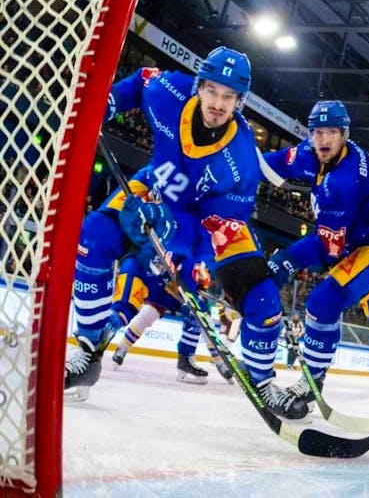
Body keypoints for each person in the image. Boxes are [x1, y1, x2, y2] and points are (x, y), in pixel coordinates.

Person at [64, 47, 307, 419]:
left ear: (239, 103)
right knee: (93, 236)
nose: (218, 103)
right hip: (155, 187)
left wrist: (169, 226)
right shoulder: (168, 91)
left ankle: (263, 383)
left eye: (229, 97)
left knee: (260, 295)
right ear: (198, 87)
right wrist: (106, 105)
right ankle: (88, 350)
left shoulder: (241, 160)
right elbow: (138, 84)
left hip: (211, 222)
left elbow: (209, 235)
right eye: (212, 91)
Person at [260, 100, 369, 404]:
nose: (324, 140)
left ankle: (312, 380)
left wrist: (286, 260)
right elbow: (271, 163)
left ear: (344, 134)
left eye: (332, 132)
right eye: (318, 132)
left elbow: (328, 247)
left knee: (324, 301)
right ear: (310, 134)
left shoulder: (343, 182)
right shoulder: (311, 153)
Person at [108, 253, 213, 385]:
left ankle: (189, 360)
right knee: (151, 313)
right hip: (161, 276)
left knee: (197, 314)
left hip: (176, 280)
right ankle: (122, 347)